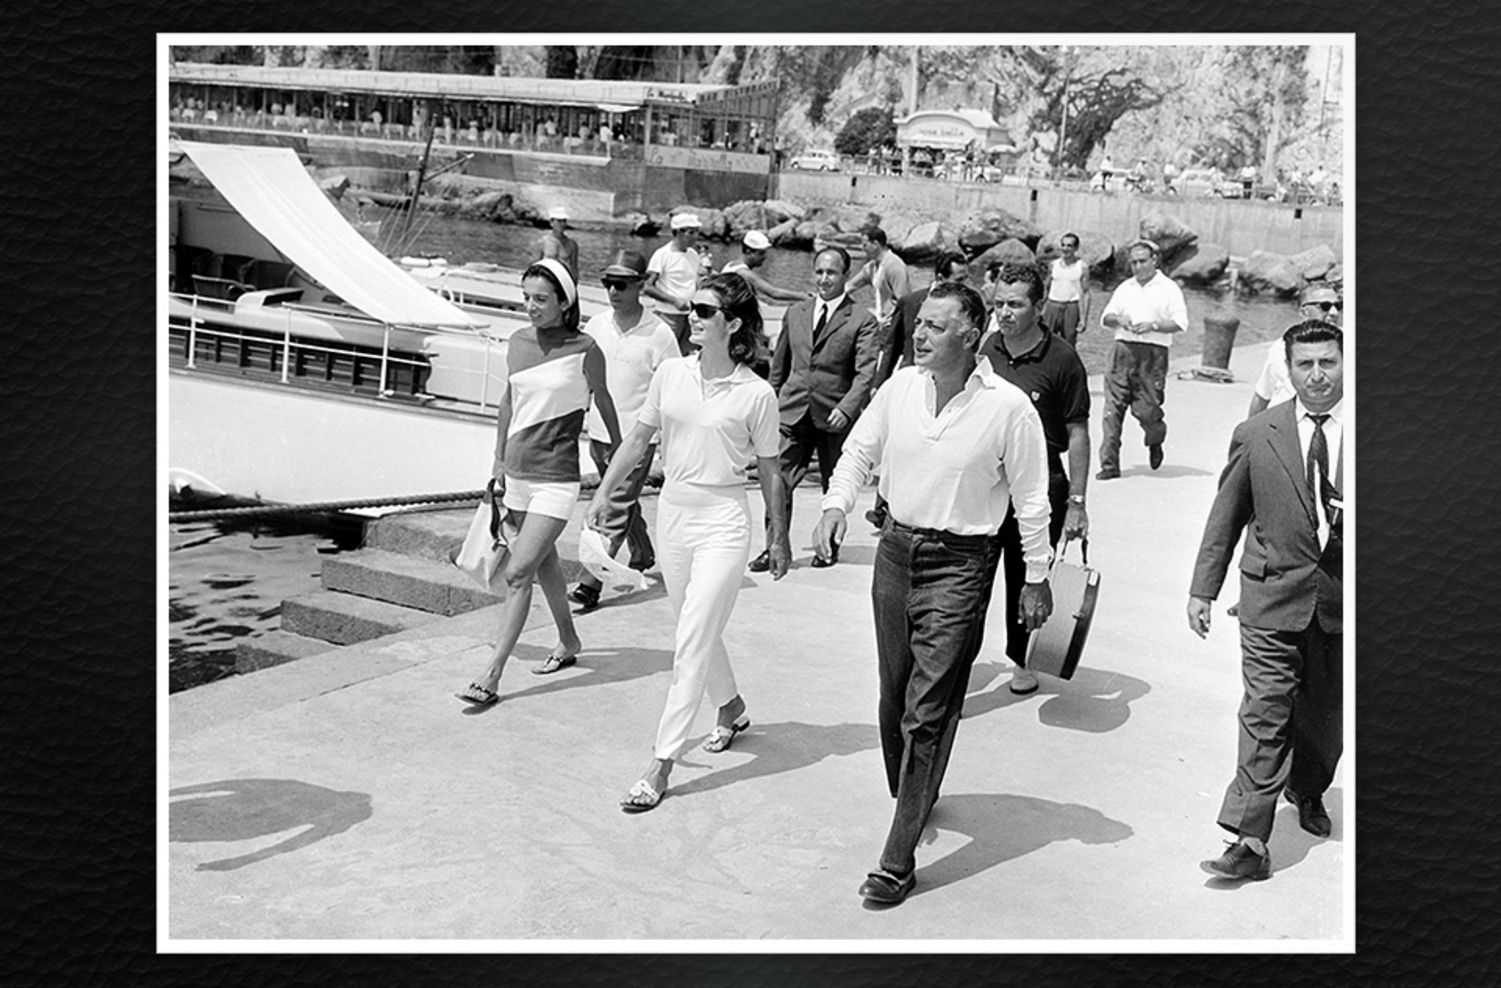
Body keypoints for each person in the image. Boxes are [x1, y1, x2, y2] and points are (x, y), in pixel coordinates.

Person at [811, 281, 1053, 905]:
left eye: (936, 327)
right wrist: (837, 505)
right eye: (919, 323)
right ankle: (914, 795)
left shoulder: (1009, 407)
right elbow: (858, 452)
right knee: (893, 698)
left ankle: (898, 857)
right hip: (894, 554)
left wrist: (1037, 576)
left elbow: (1031, 500)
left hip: (963, 565)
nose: (918, 334)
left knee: (931, 709)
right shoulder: (898, 389)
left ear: (971, 336)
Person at [589, 274, 792, 812]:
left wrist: (779, 534)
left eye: (704, 310)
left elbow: (772, 472)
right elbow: (637, 440)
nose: (692, 317)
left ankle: (660, 763)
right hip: (674, 512)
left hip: (725, 518)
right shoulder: (671, 373)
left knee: (692, 640)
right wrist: (604, 495)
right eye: (691, 308)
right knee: (693, 629)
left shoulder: (757, 394)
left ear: (733, 324)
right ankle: (730, 707)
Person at [1188, 320, 1345, 881]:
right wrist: (1203, 588)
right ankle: (1249, 838)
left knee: (1324, 723)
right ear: (1288, 368)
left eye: (1328, 361)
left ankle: (1308, 789)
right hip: (1270, 597)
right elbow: (1224, 517)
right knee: (1264, 712)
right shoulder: (1258, 433)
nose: (1317, 375)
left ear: (1345, 362)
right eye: (1305, 364)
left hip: (1339, 605)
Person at [455, 260, 622, 706]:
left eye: (541, 299)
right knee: (544, 563)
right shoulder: (517, 342)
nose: (531, 306)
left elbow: (604, 404)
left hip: (556, 481)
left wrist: (617, 461)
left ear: (565, 302)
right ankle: (568, 640)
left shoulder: (586, 348)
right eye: (526, 296)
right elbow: (509, 403)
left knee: (517, 572)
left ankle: (491, 675)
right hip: (516, 475)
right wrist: (497, 460)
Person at [978, 263, 1091, 696]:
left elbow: (1078, 432)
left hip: (1043, 484)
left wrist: (1078, 501)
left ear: (1039, 307)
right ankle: (957, 659)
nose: (1005, 313)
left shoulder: (1063, 359)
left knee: (1026, 575)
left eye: (1015, 304)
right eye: (999, 304)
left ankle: (1021, 659)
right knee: (975, 577)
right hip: (990, 484)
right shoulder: (987, 349)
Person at [750, 246, 878, 572]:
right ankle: (775, 546)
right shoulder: (796, 313)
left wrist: (848, 408)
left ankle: (828, 546)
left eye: (831, 273)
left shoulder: (862, 320)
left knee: (833, 484)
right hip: (792, 411)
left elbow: (866, 373)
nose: (824, 279)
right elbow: (779, 365)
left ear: (846, 276)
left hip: (835, 415)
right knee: (778, 480)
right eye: (819, 271)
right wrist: (771, 403)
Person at [567, 250, 681, 611]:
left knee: (613, 508)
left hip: (638, 438)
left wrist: (667, 443)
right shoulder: (596, 325)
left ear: (641, 285)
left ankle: (590, 583)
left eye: (621, 284)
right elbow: (582, 378)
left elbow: (674, 389)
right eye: (607, 283)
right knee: (622, 500)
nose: (613, 291)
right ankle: (643, 550)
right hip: (599, 434)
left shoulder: (660, 334)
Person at [864, 250, 971, 530]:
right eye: (958, 278)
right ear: (940, 278)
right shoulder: (912, 301)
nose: (964, 284)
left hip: (946, 384)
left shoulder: (969, 306)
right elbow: (892, 344)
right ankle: (882, 507)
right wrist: (878, 383)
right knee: (897, 445)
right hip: (911, 380)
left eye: (966, 278)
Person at [1095, 238, 1188, 479]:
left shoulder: (1169, 288)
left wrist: (1153, 325)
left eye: (1142, 261)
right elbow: (1106, 318)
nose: (1137, 267)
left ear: (1154, 260)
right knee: (1112, 411)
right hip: (1121, 351)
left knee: (1147, 410)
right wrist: (1119, 319)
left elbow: (1180, 323)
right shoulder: (1125, 287)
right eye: (1133, 262)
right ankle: (1109, 464)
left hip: (1152, 355)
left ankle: (1155, 437)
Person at [1248, 283, 1344, 418]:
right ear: (1304, 311)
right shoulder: (1281, 347)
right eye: (1325, 306)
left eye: (1338, 306)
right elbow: (1262, 395)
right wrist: (1249, 435)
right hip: (1284, 426)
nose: (1334, 313)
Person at [644, 212, 704, 355]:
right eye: (691, 232)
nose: (695, 236)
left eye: (697, 232)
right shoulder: (662, 254)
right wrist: (674, 300)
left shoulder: (693, 255)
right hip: (668, 315)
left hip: (690, 315)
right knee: (664, 354)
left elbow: (693, 281)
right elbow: (647, 286)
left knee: (688, 355)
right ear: (678, 232)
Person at [845, 225, 911, 329]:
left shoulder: (894, 266)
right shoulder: (871, 267)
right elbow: (851, 286)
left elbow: (904, 301)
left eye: (865, 245)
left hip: (892, 326)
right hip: (880, 322)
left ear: (875, 244)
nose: (862, 248)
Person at [721, 230, 808, 305]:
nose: (765, 257)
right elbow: (773, 293)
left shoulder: (730, 264)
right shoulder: (744, 273)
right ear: (748, 252)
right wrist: (803, 296)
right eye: (761, 253)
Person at [1040, 232, 1092, 348]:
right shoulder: (1053, 265)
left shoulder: (1082, 267)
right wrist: (1041, 309)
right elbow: (1045, 288)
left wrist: (1084, 319)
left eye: (1069, 246)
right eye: (1063, 245)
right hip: (1052, 305)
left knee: (1068, 343)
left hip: (1071, 307)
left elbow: (1086, 293)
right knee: (1045, 341)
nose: (1065, 248)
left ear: (1076, 248)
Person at [535, 206, 579, 281]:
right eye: (559, 221)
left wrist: (574, 285)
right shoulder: (543, 242)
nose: (562, 224)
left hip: (564, 280)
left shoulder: (572, 244)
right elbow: (535, 264)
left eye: (564, 221)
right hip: (547, 279)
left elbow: (574, 268)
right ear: (551, 223)